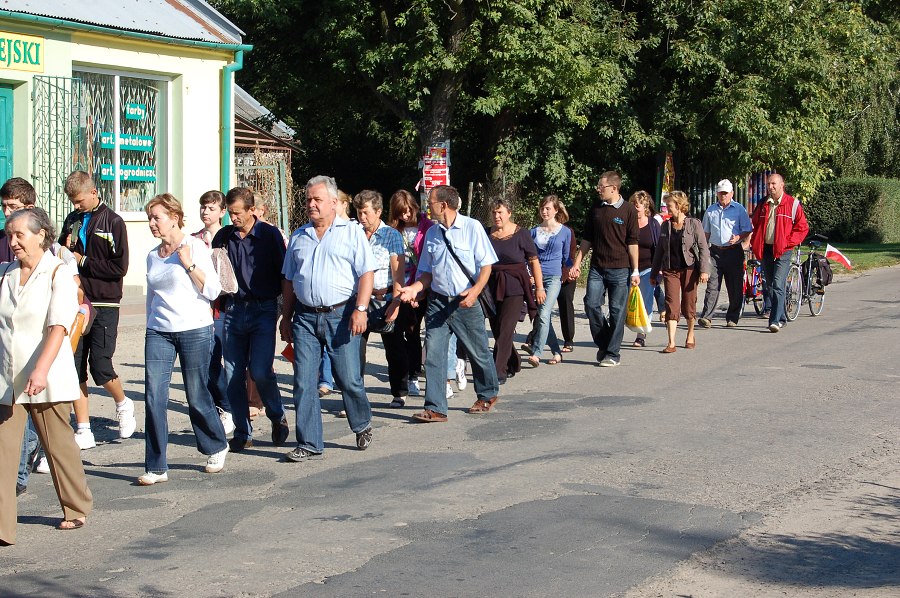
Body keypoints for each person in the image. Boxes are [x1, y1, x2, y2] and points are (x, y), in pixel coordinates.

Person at [0, 208, 93, 544]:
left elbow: (58, 327)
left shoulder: (59, 273)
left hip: (46, 373)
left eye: (19, 235)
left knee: (57, 445)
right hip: (8, 376)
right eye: (10, 235)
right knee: (3, 451)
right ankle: (2, 528)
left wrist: (40, 370)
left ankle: (75, 506)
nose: (13, 242)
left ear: (41, 235)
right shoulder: (6, 273)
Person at [280, 175, 376, 462]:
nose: (311, 204)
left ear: (334, 203)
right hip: (306, 317)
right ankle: (309, 443)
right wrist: (286, 317)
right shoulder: (299, 236)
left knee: (348, 378)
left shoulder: (351, 232)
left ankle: (361, 423)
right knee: (304, 382)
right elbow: (288, 279)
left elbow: (366, 274)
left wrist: (361, 309)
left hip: (341, 314)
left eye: (317, 199)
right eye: (308, 199)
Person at [138, 194, 228, 485]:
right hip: (159, 331)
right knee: (153, 396)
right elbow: (152, 297)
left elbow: (213, 291)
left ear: (175, 217)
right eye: (150, 218)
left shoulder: (196, 247)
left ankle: (216, 444)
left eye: (157, 217)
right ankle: (156, 466)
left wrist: (189, 264)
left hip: (195, 329)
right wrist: (149, 324)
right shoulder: (153, 255)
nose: (152, 223)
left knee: (196, 393)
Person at [396, 185, 500, 421]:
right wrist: (414, 289)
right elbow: (425, 273)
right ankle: (435, 407)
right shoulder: (432, 233)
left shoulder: (472, 228)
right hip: (438, 301)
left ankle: (487, 394)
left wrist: (475, 292)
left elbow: (486, 265)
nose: (426, 207)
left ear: (443, 205)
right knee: (433, 352)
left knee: (478, 351)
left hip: (465, 300)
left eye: (430, 202)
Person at [58, 171, 135, 449]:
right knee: (75, 366)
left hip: (104, 301)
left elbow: (119, 267)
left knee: (101, 365)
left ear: (93, 192)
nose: (76, 206)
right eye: (72, 202)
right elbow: (62, 253)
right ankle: (83, 428)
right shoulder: (72, 219)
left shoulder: (113, 221)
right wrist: (64, 251)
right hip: (77, 301)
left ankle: (123, 403)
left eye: (79, 201)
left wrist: (84, 260)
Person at [212, 187, 289, 452]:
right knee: (233, 374)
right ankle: (243, 431)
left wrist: (285, 314)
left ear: (251, 209)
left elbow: (284, 275)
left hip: (264, 308)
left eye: (237, 213)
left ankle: (277, 415)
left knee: (259, 370)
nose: (233, 218)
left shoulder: (269, 235)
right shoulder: (224, 237)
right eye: (230, 213)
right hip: (234, 309)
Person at [569, 171, 640, 367]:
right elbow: (587, 240)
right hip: (597, 268)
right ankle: (605, 341)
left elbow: (633, 243)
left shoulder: (628, 211)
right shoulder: (595, 209)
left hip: (621, 269)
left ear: (614, 188)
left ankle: (612, 353)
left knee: (617, 311)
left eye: (602, 187)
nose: (598, 189)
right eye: (598, 186)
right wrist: (577, 263)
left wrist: (635, 270)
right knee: (591, 304)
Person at [353, 190, 405, 402]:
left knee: (394, 349)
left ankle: (399, 392)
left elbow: (398, 272)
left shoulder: (391, 235)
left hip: (385, 298)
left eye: (365, 213)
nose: (362, 217)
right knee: (355, 352)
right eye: (359, 213)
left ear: (378, 211)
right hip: (358, 301)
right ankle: (355, 397)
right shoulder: (354, 233)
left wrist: (397, 301)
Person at [191, 190, 234, 435]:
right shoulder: (194, 239)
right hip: (204, 308)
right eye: (203, 207)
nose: (206, 212)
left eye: (211, 208)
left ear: (222, 212)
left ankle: (231, 406)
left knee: (230, 360)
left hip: (226, 307)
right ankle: (223, 407)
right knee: (208, 361)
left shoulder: (228, 237)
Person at [387, 189, 434, 405]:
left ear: (414, 208)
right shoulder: (392, 231)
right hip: (399, 287)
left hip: (422, 286)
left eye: (408, 212)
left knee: (415, 331)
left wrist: (420, 289)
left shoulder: (428, 227)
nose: (405, 216)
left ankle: (417, 373)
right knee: (405, 333)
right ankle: (409, 377)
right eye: (400, 213)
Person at [487, 198, 540, 381]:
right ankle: (514, 361)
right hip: (491, 285)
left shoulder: (521, 234)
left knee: (506, 329)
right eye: (494, 212)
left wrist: (539, 288)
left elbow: (533, 260)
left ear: (509, 213)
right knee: (496, 328)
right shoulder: (486, 233)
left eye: (500, 212)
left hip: (515, 286)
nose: (496, 216)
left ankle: (497, 372)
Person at [650, 191, 710, 352]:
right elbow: (659, 252)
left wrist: (704, 270)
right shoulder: (665, 225)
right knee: (671, 304)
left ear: (678, 205)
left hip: (690, 269)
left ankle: (690, 334)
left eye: (669, 205)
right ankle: (671, 342)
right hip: (670, 270)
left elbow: (703, 248)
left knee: (689, 303)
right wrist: (654, 274)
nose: (666, 208)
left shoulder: (693, 224)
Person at [750, 173, 809, 333]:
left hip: (783, 251)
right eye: (769, 184)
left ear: (782, 185)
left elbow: (802, 227)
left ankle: (774, 320)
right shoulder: (763, 204)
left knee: (777, 284)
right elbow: (754, 224)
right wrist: (752, 241)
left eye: (774, 184)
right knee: (769, 285)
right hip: (766, 249)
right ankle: (782, 317)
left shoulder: (792, 204)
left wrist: (787, 242)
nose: (771, 187)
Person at [697, 179, 753, 328]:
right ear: (717, 194)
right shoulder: (711, 210)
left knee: (734, 286)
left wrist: (739, 238)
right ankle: (707, 316)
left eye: (726, 193)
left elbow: (747, 229)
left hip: (733, 251)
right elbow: (706, 233)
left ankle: (732, 317)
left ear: (731, 194)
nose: (723, 196)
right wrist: (703, 252)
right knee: (712, 285)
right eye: (721, 193)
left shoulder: (739, 209)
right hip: (715, 251)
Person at [524, 195, 571, 365]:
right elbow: (527, 256)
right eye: (542, 208)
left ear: (556, 210)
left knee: (543, 314)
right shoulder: (533, 231)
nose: (544, 211)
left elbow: (567, 257)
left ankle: (536, 352)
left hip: (554, 278)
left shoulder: (565, 232)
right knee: (544, 317)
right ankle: (556, 352)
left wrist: (572, 269)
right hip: (537, 279)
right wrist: (529, 275)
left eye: (548, 208)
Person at [628, 191, 661, 347]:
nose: (635, 209)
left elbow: (660, 248)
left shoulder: (653, 224)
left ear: (645, 207)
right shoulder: (629, 223)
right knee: (625, 300)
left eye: (638, 206)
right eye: (633, 205)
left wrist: (659, 269)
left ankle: (641, 335)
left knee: (645, 300)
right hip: (629, 267)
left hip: (649, 268)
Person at [557, 216, 578, 353]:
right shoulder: (540, 231)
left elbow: (570, 255)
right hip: (547, 274)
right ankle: (534, 338)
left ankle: (568, 339)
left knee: (565, 304)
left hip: (566, 274)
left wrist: (567, 272)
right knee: (542, 307)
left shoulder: (568, 231)